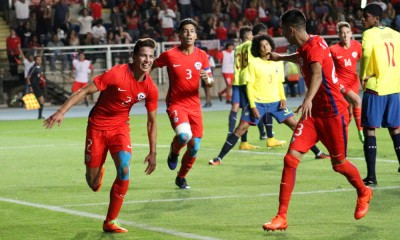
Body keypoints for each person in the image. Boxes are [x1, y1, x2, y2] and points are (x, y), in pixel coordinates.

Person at [262, 9, 372, 232]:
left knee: (339, 165)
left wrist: (307, 100)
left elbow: (317, 74)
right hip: (313, 117)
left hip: (333, 114)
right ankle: (281, 216)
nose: (282, 34)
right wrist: (281, 58)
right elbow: (303, 57)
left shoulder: (312, 47)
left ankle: (363, 191)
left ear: (291, 30)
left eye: (283, 30)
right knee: (290, 159)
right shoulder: (313, 42)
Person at [43, 38, 159, 233]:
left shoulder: (150, 88)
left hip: (120, 129)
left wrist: (153, 151)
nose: (147, 60)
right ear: (134, 56)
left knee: (124, 169)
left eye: (150, 56)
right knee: (93, 183)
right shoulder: (116, 73)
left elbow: (152, 121)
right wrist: (61, 111)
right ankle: (97, 173)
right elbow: (83, 91)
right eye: (143, 55)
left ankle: (110, 221)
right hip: (97, 127)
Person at [209, 34, 327, 165]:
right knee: (241, 128)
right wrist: (252, 106)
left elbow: (279, 82)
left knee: (296, 126)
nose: (265, 47)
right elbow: (249, 85)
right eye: (261, 46)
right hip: (258, 103)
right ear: (257, 49)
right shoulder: (253, 63)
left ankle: (318, 153)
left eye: (267, 44)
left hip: (276, 102)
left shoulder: (277, 62)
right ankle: (219, 158)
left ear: (271, 45)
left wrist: (283, 98)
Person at [152, 18, 214, 189]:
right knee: (184, 136)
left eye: (192, 31)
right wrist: (141, 81)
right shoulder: (170, 55)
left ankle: (181, 177)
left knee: (194, 148)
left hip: (195, 106)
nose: (188, 34)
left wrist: (207, 80)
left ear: (196, 35)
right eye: (185, 31)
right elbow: (151, 66)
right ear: (179, 34)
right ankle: (174, 150)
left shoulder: (202, 55)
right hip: (176, 104)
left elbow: (210, 81)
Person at [359, 3, 400, 186]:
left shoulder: (369, 34)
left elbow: (366, 54)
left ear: (376, 18)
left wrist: (363, 75)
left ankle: (371, 176)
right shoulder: (395, 34)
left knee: (370, 129)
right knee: (396, 129)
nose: (362, 19)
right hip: (394, 87)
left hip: (376, 86)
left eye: (365, 16)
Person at [330, 21, 364, 143]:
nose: (345, 35)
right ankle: (361, 131)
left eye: (347, 32)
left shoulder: (357, 46)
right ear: (338, 35)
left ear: (351, 33)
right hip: (341, 84)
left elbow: (365, 61)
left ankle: (341, 137)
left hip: (354, 83)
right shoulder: (333, 50)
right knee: (357, 100)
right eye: (342, 33)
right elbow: (326, 65)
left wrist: (364, 76)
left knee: (349, 113)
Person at [27, 55, 46, 119]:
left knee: (41, 101)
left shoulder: (42, 67)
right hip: (35, 86)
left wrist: (43, 81)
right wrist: (30, 86)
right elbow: (28, 77)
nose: (39, 61)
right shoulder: (33, 68)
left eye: (40, 60)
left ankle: (40, 115)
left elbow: (41, 76)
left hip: (41, 86)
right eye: (38, 60)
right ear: (35, 60)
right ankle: (39, 116)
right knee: (42, 100)